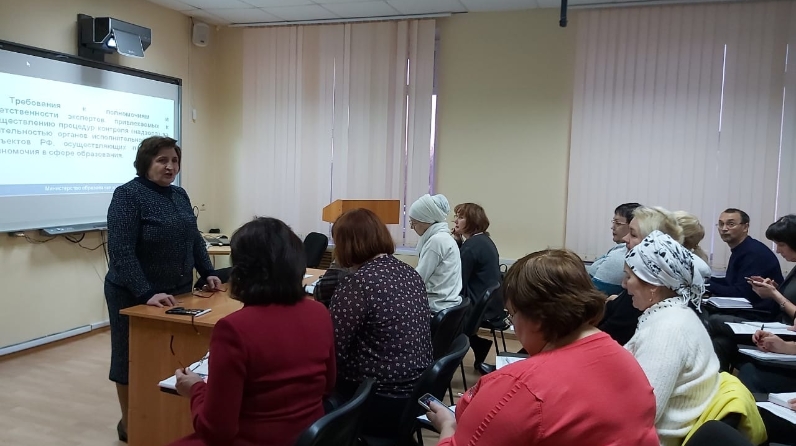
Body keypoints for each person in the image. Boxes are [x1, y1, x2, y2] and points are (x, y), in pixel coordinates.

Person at [426, 249, 659, 446]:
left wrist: (448, 426)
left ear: (537, 318)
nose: (514, 324)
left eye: (512, 314)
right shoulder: (627, 362)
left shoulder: (518, 387)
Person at [169, 217, 336, 446]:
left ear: (241, 272)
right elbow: (328, 387)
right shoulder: (319, 312)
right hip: (310, 436)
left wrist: (196, 388)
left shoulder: (234, 329)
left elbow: (216, 431)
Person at [104, 136, 221, 442]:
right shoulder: (127, 195)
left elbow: (194, 239)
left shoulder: (179, 194)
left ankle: (164, 415)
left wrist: (208, 272)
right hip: (134, 295)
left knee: (172, 353)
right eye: (162, 160)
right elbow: (121, 251)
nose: (170, 166)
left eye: (174, 160)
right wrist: (145, 292)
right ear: (146, 163)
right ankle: (130, 423)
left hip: (178, 290)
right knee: (128, 357)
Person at [329, 208, 433, 436]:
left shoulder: (356, 285)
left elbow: (332, 351)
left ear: (347, 245)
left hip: (377, 400)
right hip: (415, 396)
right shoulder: (410, 273)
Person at [623, 230, 720, 446]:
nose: (623, 284)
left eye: (629, 277)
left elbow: (642, 413)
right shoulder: (670, 314)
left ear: (653, 285)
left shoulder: (667, 331)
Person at [711, 215, 796, 372]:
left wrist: (775, 294)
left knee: (714, 321)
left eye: (781, 245)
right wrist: (773, 289)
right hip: (779, 324)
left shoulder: (753, 252)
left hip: (784, 329)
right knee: (720, 342)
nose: (778, 250)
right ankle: (720, 384)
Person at [598, 206, 684, 345]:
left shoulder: (644, 291)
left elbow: (608, 336)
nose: (625, 238)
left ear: (654, 243)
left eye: (633, 234)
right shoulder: (650, 281)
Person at [452, 203, 503, 375]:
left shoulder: (472, 246)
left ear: (472, 221)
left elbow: (458, 280)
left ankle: (443, 360)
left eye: (460, 217)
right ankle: (478, 344)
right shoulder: (483, 241)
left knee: (444, 313)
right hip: (491, 303)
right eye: (456, 216)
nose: (455, 221)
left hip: (479, 306)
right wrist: (459, 242)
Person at [707, 208, 783, 317]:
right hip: (749, 308)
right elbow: (732, 282)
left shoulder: (754, 253)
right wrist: (705, 280)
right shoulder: (742, 248)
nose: (724, 228)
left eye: (731, 224)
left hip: (760, 313)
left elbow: (741, 294)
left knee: (709, 317)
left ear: (745, 227)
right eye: (721, 224)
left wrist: (704, 284)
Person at [409, 194, 463, 312]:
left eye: (414, 222)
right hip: (447, 305)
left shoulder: (436, 241)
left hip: (436, 307)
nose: (411, 227)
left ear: (426, 221)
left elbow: (418, 280)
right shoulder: (444, 237)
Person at [587, 202, 642, 295]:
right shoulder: (621, 248)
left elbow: (594, 292)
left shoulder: (621, 257)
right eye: (614, 222)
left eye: (618, 223)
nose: (612, 227)